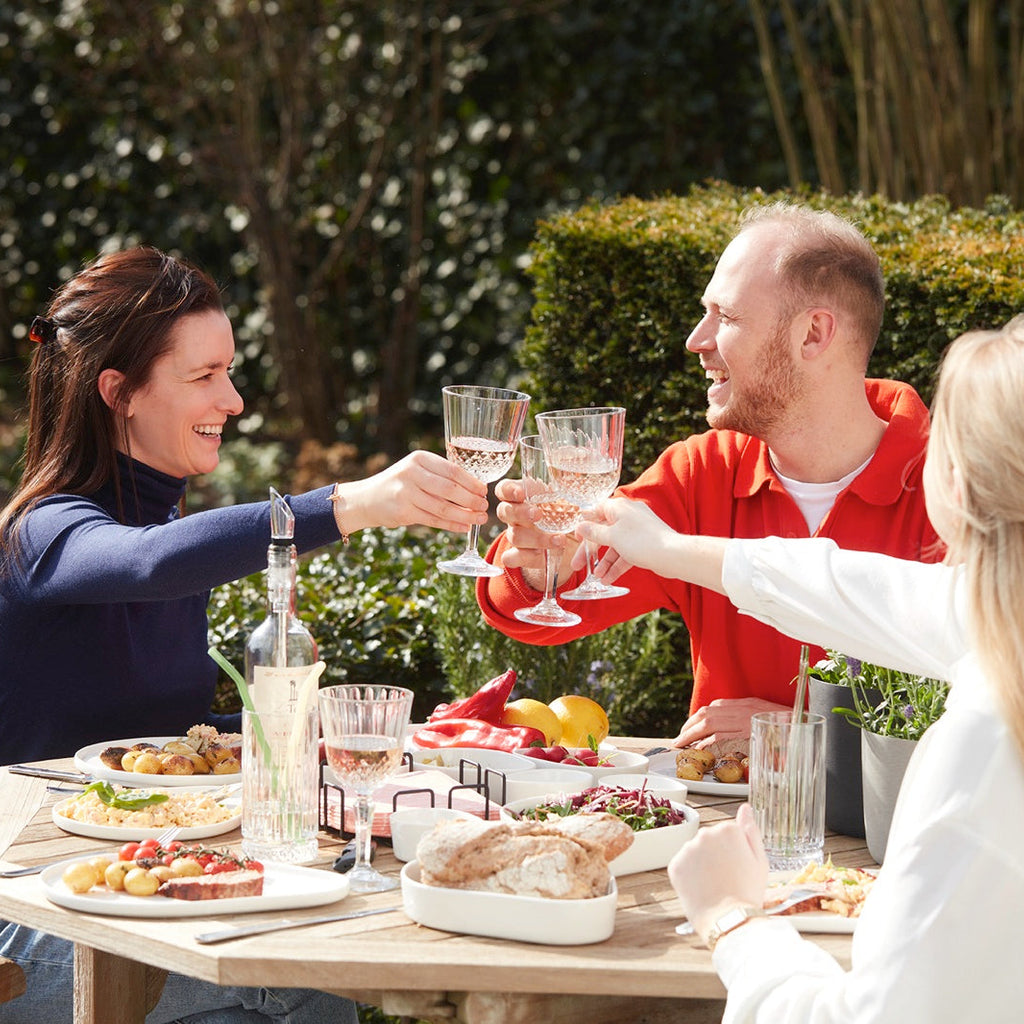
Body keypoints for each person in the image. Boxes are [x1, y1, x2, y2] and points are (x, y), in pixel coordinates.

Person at [0, 246, 490, 1024]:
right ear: (118, 392)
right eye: (203, 376)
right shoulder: (44, 534)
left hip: (138, 884)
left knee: (293, 981)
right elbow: (145, 565)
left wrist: (368, 738)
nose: (232, 401)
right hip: (33, 920)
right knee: (304, 983)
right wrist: (349, 504)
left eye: (229, 372)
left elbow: (167, 742)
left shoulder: (170, 526)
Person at [574, 316, 1024, 1021]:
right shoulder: (996, 630)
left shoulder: (986, 743)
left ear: (959, 488)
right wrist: (666, 546)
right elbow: (850, 589)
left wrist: (731, 917)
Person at [476, 202, 942, 748]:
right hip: (723, 821)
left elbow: (987, 707)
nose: (697, 340)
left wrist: (798, 734)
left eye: (727, 317)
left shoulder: (954, 488)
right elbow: (528, 616)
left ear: (814, 334)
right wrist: (541, 568)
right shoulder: (703, 471)